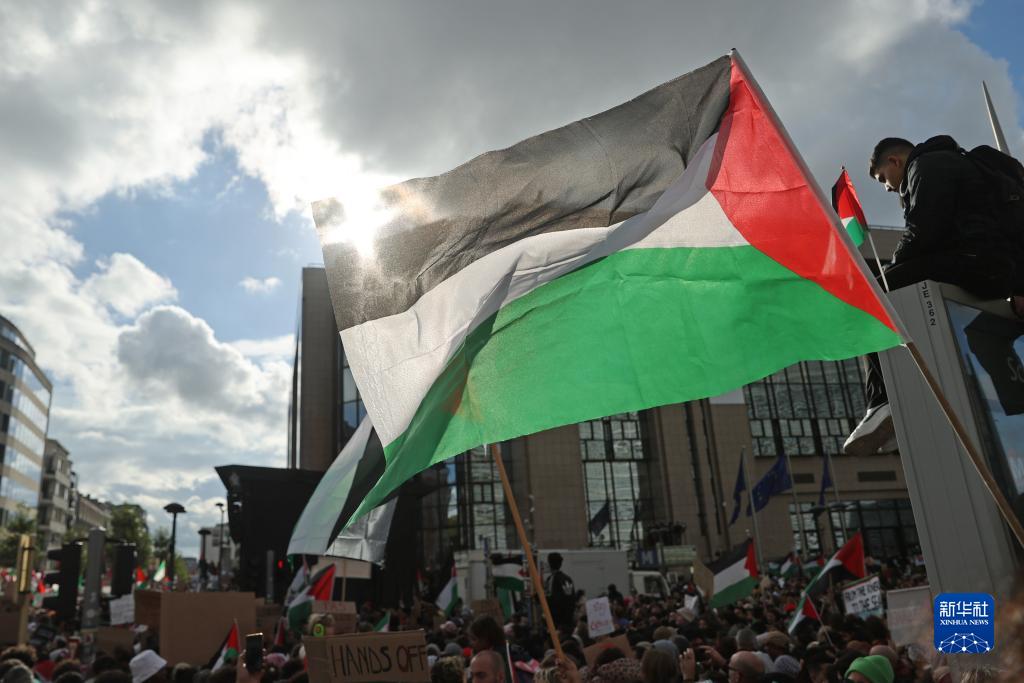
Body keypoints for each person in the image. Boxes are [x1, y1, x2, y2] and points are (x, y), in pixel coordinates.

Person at [845, 135, 1019, 455]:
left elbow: (923, 231)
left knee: (873, 294)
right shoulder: (960, 163)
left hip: (975, 263)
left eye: (883, 178)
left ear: (895, 161)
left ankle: (883, 401)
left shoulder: (926, 166)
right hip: (994, 269)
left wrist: (891, 268)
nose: (887, 188)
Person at [544, 554, 576, 633]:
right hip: (562, 621)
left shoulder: (553, 580)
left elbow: (563, 600)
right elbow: (570, 600)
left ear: (549, 564)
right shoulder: (566, 579)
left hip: (559, 622)